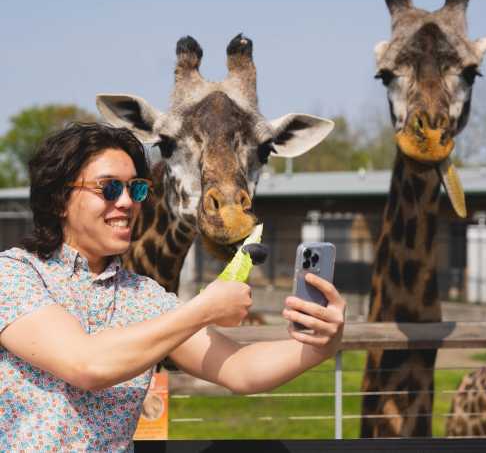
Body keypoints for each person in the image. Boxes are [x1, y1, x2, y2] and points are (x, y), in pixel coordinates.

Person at [0, 123, 345, 451]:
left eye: (135, 188)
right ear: (59, 200)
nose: (126, 202)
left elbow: (241, 370)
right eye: (108, 188)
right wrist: (203, 309)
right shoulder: (14, 275)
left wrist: (320, 345)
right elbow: (86, 364)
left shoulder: (145, 297)